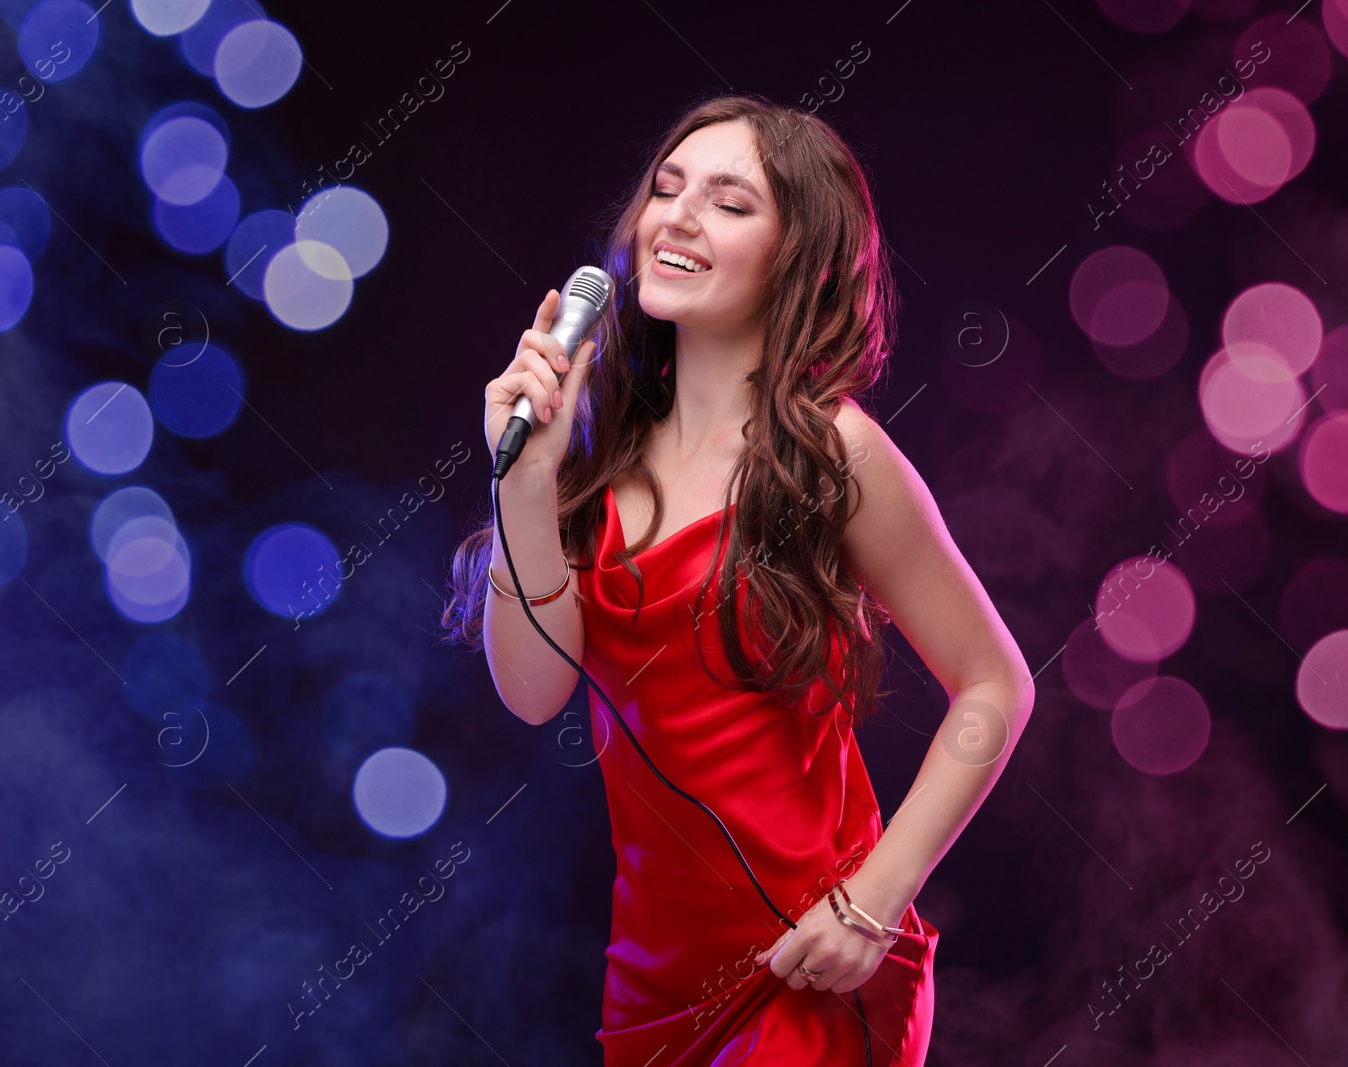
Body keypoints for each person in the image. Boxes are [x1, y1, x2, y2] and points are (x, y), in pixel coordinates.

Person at [441, 94, 1034, 1066]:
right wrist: (528, 477)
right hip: (653, 983)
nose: (676, 215)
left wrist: (872, 901)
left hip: (814, 959)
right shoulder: (587, 462)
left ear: (797, 251)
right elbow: (532, 687)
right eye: (666, 189)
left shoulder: (833, 451)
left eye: (727, 201)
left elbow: (995, 682)